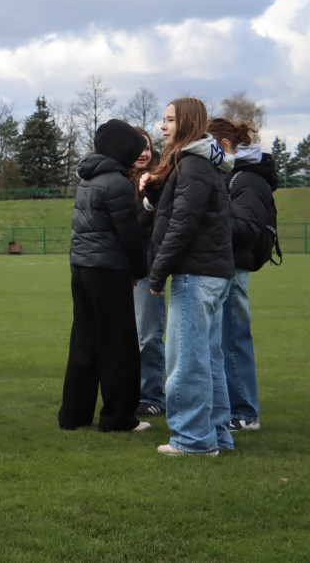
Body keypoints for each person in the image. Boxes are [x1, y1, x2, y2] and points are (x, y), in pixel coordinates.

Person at [141, 98, 234, 457]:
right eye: (163, 120)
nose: (163, 126)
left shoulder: (193, 165)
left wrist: (157, 273)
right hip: (210, 274)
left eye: (170, 120)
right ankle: (217, 436)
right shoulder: (198, 163)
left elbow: (182, 225)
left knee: (188, 361)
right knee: (208, 359)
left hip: (195, 275)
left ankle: (193, 440)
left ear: (189, 123)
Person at [58, 119, 150, 433]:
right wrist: (139, 271)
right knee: (119, 346)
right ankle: (118, 418)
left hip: (81, 268)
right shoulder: (118, 183)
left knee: (84, 343)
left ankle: (74, 414)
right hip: (109, 271)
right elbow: (129, 235)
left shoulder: (88, 179)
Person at [208, 117, 277, 433]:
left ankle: (244, 412)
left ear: (222, 146)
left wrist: (206, 220)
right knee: (225, 339)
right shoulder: (236, 175)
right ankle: (233, 407)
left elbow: (246, 229)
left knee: (233, 338)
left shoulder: (246, 179)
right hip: (222, 265)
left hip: (233, 268)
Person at [130, 127, 167, 417]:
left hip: (147, 270)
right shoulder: (118, 181)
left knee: (149, 335)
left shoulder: (159, 180)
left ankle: (152, 395)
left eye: (147, 147)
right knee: (127, 336)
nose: (143, 153)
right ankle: (129, 393)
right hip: (122, 270)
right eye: (137, 147)